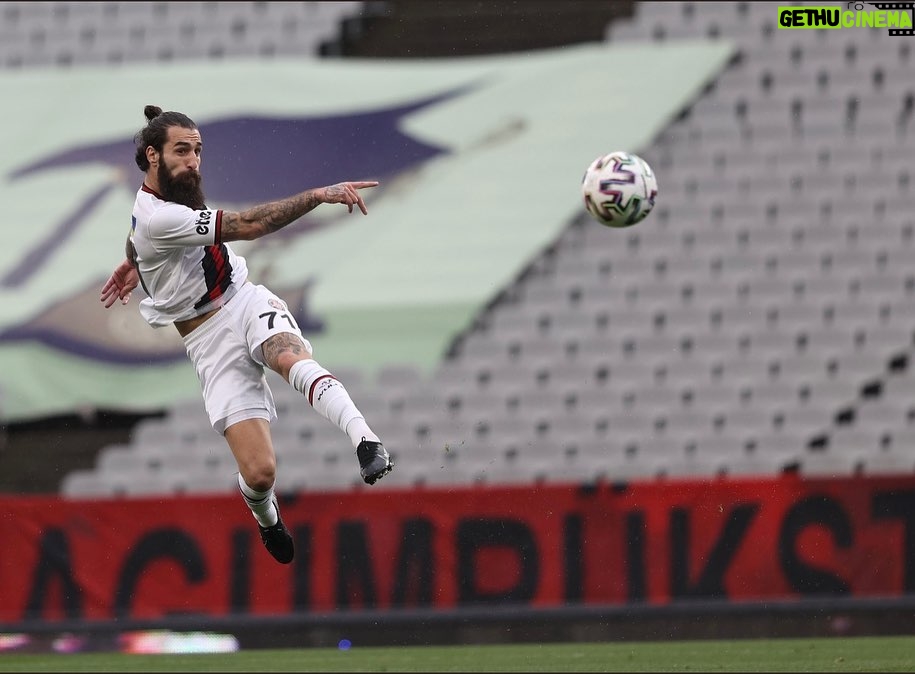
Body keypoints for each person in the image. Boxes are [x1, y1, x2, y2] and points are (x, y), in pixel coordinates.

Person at [100, 105, 394, 565]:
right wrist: (317, 195)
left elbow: (145, 235)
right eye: (183, 151)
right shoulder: (156, 219)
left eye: (198, 150)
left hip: (242, 299)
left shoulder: (169, 195)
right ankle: (267, 517)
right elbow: (250, 225)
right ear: (152, 156)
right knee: (260, 473)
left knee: (288, 358)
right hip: (206, 340)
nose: (194, 160)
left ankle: (367, 441)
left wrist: (134, 259)